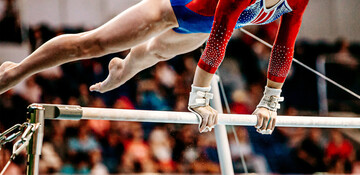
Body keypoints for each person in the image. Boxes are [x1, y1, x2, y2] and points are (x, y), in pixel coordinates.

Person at [0, 0, 309, 134]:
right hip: (170, 11)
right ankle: (16, 72)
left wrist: (270, 102)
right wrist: (199, 98)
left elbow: (285, 46)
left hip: (197, 29)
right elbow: (219, 42)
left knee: (153, 54)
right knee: (92, 45)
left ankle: (123, 69)